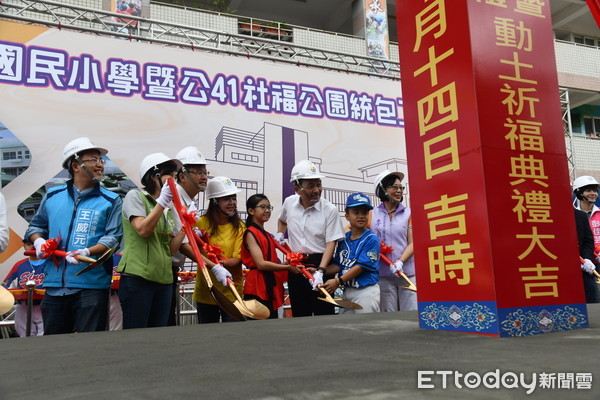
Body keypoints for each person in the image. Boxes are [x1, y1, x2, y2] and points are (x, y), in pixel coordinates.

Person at [24, 137, 122, 334]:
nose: (100, 165)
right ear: (76, 165)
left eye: (101, 160)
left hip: (92, 286)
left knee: (90, 350)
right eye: (93, 159)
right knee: (55, 348)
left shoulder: (111, 200)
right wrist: (40, 241)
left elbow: (113, 239)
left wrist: (86, 251)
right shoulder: (53, 196)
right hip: (53, 287)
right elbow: (34, 227)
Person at [117, 152, 185, 329]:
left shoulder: (169, 208)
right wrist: (162, 202)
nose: (174, 180)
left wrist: (185, 228)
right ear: (154, 176)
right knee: (137, 335)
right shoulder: (136, 196)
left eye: (175, 176)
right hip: (137, 279)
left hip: (163, 281)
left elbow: (169, 250)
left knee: (158, 336)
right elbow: (143, 230)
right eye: (169, 174)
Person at [276, 160, 344, 317]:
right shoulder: (289, 203)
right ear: (297, 189)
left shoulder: (330, 210)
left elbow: (331, 243)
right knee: (300, 314)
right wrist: (280, 233)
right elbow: (282, 220)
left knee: (323, 313)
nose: (317, 190)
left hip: (320, 263)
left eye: (318, 184)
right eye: (310, 186)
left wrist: (321, 271)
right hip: (296, 266)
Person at [168, 146, 212, 326]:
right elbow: (183, 245)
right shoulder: (174, 199)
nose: (204, 177)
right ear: (182, 176)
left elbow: (192, 240)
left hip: (171, 271)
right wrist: (212, 266)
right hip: (162, 268)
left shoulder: (191, 205)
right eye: (198, 172)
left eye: (205, 172)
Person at [192, 176, 244, 323]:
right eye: (226, 199)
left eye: (233, 198)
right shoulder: (200, 223)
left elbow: (236, 260)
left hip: (232, 293)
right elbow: (188, 249)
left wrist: (218, 264)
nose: (232, 203)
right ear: (214, 201)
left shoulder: (240, 227)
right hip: (207, 291)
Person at [241, 194, 300, 319]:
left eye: (269, 207)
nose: (267, 210)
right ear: (251, 211)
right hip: (257, 286)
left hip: (268, 284)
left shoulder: (266, 234)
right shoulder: (251, 233)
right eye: (262, 207)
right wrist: (286, 267)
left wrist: (286, 265)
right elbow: (261, 264)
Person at [322, 193, 380, 313]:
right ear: (347, 216)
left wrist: (338, 281)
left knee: (366, 328)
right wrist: (321, 271)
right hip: (347, 290)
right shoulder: (344, 239)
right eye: (356, 212)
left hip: (366, 291)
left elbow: (360, 267)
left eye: (364, 212)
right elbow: (339, 265)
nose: (361, 216)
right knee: (346, 328)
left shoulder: (371, 239)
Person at [370, 169, 415, 311]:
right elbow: (350, 229)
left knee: (411, 314)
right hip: (383, 275)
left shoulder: (409, 213)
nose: (399, 191)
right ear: (382, 189)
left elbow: (413, 242)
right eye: (394, 187)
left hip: (407, 273)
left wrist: (400, 262)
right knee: (388, 316)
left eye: (401, 187)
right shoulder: (372, 214)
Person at [1, 240, 45, 336]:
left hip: (44, 304)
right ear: (24, 246)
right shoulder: (20, 264)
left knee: (45, 334)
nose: (33, 247)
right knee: (24, 335)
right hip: (23, 305)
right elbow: (5, 285)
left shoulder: (50, 263)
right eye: (29, 244)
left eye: (35, 244)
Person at [574, 208, 599, 303]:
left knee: (591, 289)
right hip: (553, 269)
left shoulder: (580, 216)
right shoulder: (546, 215)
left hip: (580, 267)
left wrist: (587, 258)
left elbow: (588, 241)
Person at [573, 175, 600, 255]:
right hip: (584, 260)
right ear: (579, 193)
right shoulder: (573, 216)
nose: (593, 193)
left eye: (595, 191)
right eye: (588, 190)